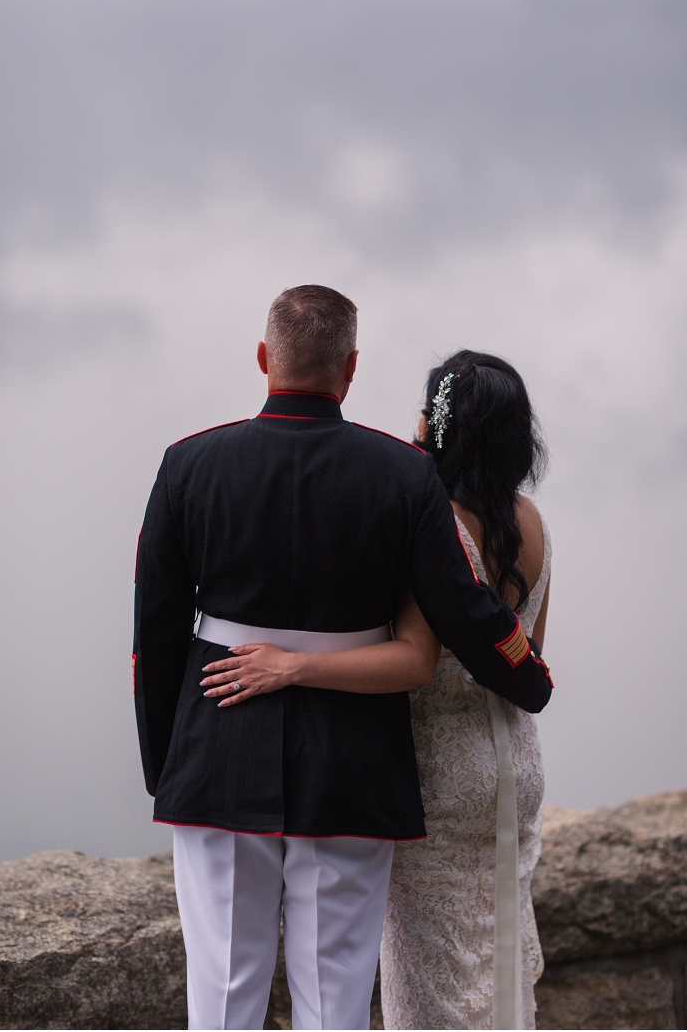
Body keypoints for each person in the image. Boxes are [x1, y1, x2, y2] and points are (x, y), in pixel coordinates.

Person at [133, 291, 553, 1032]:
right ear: (351, 368)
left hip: (219, 746)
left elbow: (156, 634)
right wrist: (528, 675)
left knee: (223, 997)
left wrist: (166, 764)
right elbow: (463, 603)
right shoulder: (403, 473)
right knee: (336, 1002)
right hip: (352, 758)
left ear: (264, 359)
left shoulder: (186, 463)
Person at [380, 351, 552, 1031]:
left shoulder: (436, 528)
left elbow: (415, 655)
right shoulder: (531, 522)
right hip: (516, 761)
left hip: (442, 775)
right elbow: (536, 653)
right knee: (498, 964)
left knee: (432, 979)